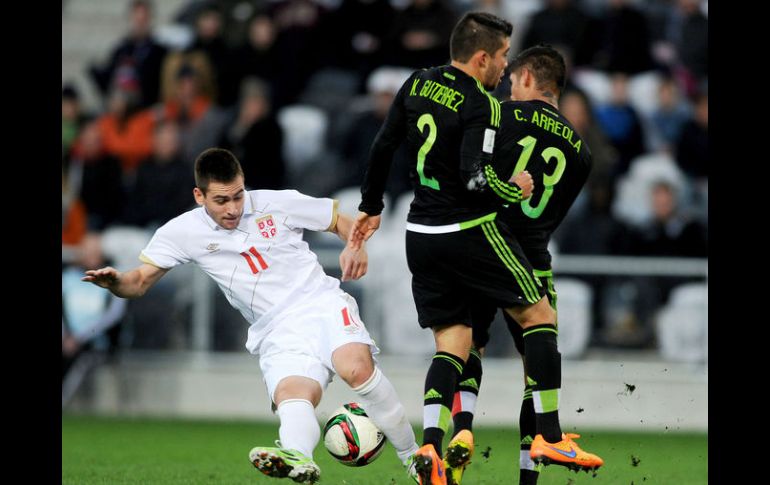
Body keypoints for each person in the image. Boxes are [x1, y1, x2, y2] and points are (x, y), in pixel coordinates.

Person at [83, 148, 420, 484]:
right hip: (275, 328)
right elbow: (138, 282)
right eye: (221, 200)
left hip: (319, 301)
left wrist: (355, 246)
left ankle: (414, 459)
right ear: (199, 195)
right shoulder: (182, 232)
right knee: (293, 393)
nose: (232, 208)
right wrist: (116, 283)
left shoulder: (277, 202)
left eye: (238, 196)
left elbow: (340, 222)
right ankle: (299, 458)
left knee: (355, 368)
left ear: (244, 184)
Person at [349, 12, 536, 485]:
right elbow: (476, 179)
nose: (504, 66)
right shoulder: (483, 102)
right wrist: (515, 188)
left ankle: (431, 447)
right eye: (502, 57)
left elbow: (383, 145)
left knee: (451, 346)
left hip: (419, 234)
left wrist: (371, 205)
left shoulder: (416, 82)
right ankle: (547, 437)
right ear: (480, 58)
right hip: (466, 230)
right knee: (539, 315)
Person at [448, 45, 605, 484]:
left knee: (467, 347)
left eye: (514, 80)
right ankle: (529, 477)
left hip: (485, 244)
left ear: (531, 80)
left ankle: (461, 432)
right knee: (536, 373)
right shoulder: (582, 153)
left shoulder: (502, 115)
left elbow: (474, 173)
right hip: (534, 256)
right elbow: (551, 213)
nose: (509, 87)